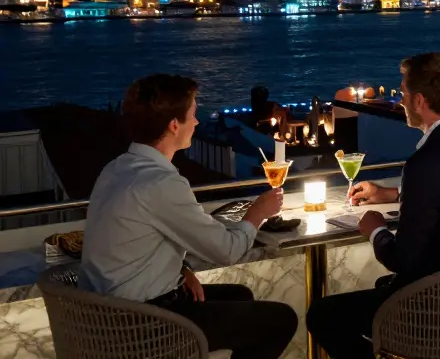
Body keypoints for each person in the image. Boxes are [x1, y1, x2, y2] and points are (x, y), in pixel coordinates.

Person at [307, 53, 440, 359]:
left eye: (402, 92)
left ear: (418, 101)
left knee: (323, 314)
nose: (400, 100)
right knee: (380, 290)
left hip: (434, 313)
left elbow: (403, 260)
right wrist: (391, 194)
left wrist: (374, 230)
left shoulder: (424, 162)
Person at [81, 75, 295, 359]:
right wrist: (258, 213)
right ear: (173, 124)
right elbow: (226, 251)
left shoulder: (117, 169)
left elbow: (139, 239)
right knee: (279, 320)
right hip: (144, 324)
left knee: (238, 295)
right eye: (193, 114)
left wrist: (181, 270)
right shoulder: (160, 183)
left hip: (104, 317)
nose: (197, 122)